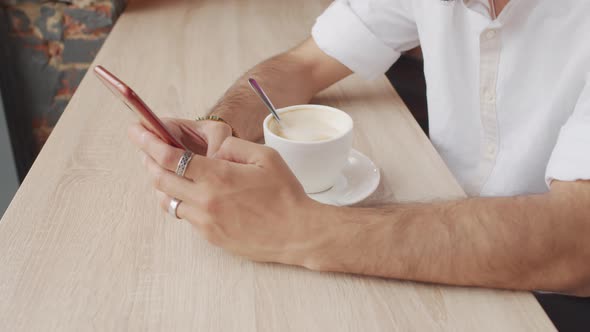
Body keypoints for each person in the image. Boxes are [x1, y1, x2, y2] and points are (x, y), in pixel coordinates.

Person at [128, 0, 590, 297]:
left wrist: (297, 229)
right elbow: (302, 64)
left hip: (546, 293)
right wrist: (219, 125)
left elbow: (577, 241)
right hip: (436, 251)